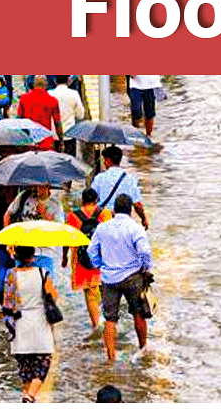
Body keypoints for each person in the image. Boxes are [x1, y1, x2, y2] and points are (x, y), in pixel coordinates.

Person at [87, 195, 154, 363]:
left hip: (109, 278)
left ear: (114, 210)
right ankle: (143, 348)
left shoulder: (102, 228)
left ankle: (111, 358)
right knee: (138, 313)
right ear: (131, 210)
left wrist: (99, 265)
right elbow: (145, 252)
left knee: (110, 318)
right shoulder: (135, 228)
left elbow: (91, 251)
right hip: (133, 276)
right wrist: (144, 268)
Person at [1, 245, 58, 403]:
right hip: (39, 322)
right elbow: (53, 296)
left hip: (19, 324)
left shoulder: (10, 275)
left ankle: (27, 398)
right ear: (33, 254)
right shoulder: (42, 273)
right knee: (42, 365)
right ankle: (30, 397)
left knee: (25, 369)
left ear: (17, 255)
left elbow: (7, 302)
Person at [65, 188, 113, 329]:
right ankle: (109, 321)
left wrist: (63, 257)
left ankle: (96, 325)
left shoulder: (73, 216)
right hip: (103, 258)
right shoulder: (105, 214)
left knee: (90, 293)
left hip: (82, 260)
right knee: (104, 288)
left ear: (82, 200)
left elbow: (68, 239)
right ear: (96, 200)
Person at [4, 186, 65, 274]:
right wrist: (9, 240)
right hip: (23, 251)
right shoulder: (24, 196)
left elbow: (60, 230)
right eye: (37, 185)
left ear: (48, 186)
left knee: (46, 284)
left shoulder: (55, 204)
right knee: (22, 284)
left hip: (45, 252)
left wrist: (44, 214)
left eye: (42, 185)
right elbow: (8, 215)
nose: (39, 188)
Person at [91, 145, 149, 229]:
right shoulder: (130, 179)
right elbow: (137, 205)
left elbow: (91, 202)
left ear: (107, 160)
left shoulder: (99, 178)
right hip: (124, 223)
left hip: (104, 222)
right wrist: (143, 219)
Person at [16, 75, 63, 150]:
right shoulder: (52, 100)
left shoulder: (24, 98)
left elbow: (19, 121)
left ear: (34, 84)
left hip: (28, 141)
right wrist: (61, 140)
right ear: (46, 84)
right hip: (46, 142)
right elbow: (57, 123)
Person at [48, 75, 86, 140]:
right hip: (70, 134)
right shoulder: (74, 94)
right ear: (68, 80)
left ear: (55, 81)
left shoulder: (49, 94)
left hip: (53, 134)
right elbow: (80, 115)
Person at [127, 75, 161, 140]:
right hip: (135, 85)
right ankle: (135, 133)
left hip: (152, 85)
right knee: (136, 111)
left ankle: (148, 136)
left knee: (149, 113)